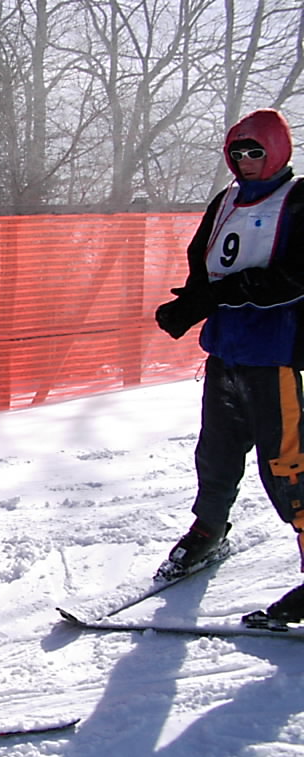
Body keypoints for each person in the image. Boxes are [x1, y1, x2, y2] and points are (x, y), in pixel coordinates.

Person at [154, 108, 304, 623]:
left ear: (278, 151)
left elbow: (293, 276)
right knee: (215, 455)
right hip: (226, 356)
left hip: (276, 358)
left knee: (288, 469)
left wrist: (226, 292)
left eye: (255, 151)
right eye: (236, 153)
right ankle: (208, 529)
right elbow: (206, 266)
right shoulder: (225, 203)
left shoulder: (300, 200)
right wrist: (190, 304)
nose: (245, 161)